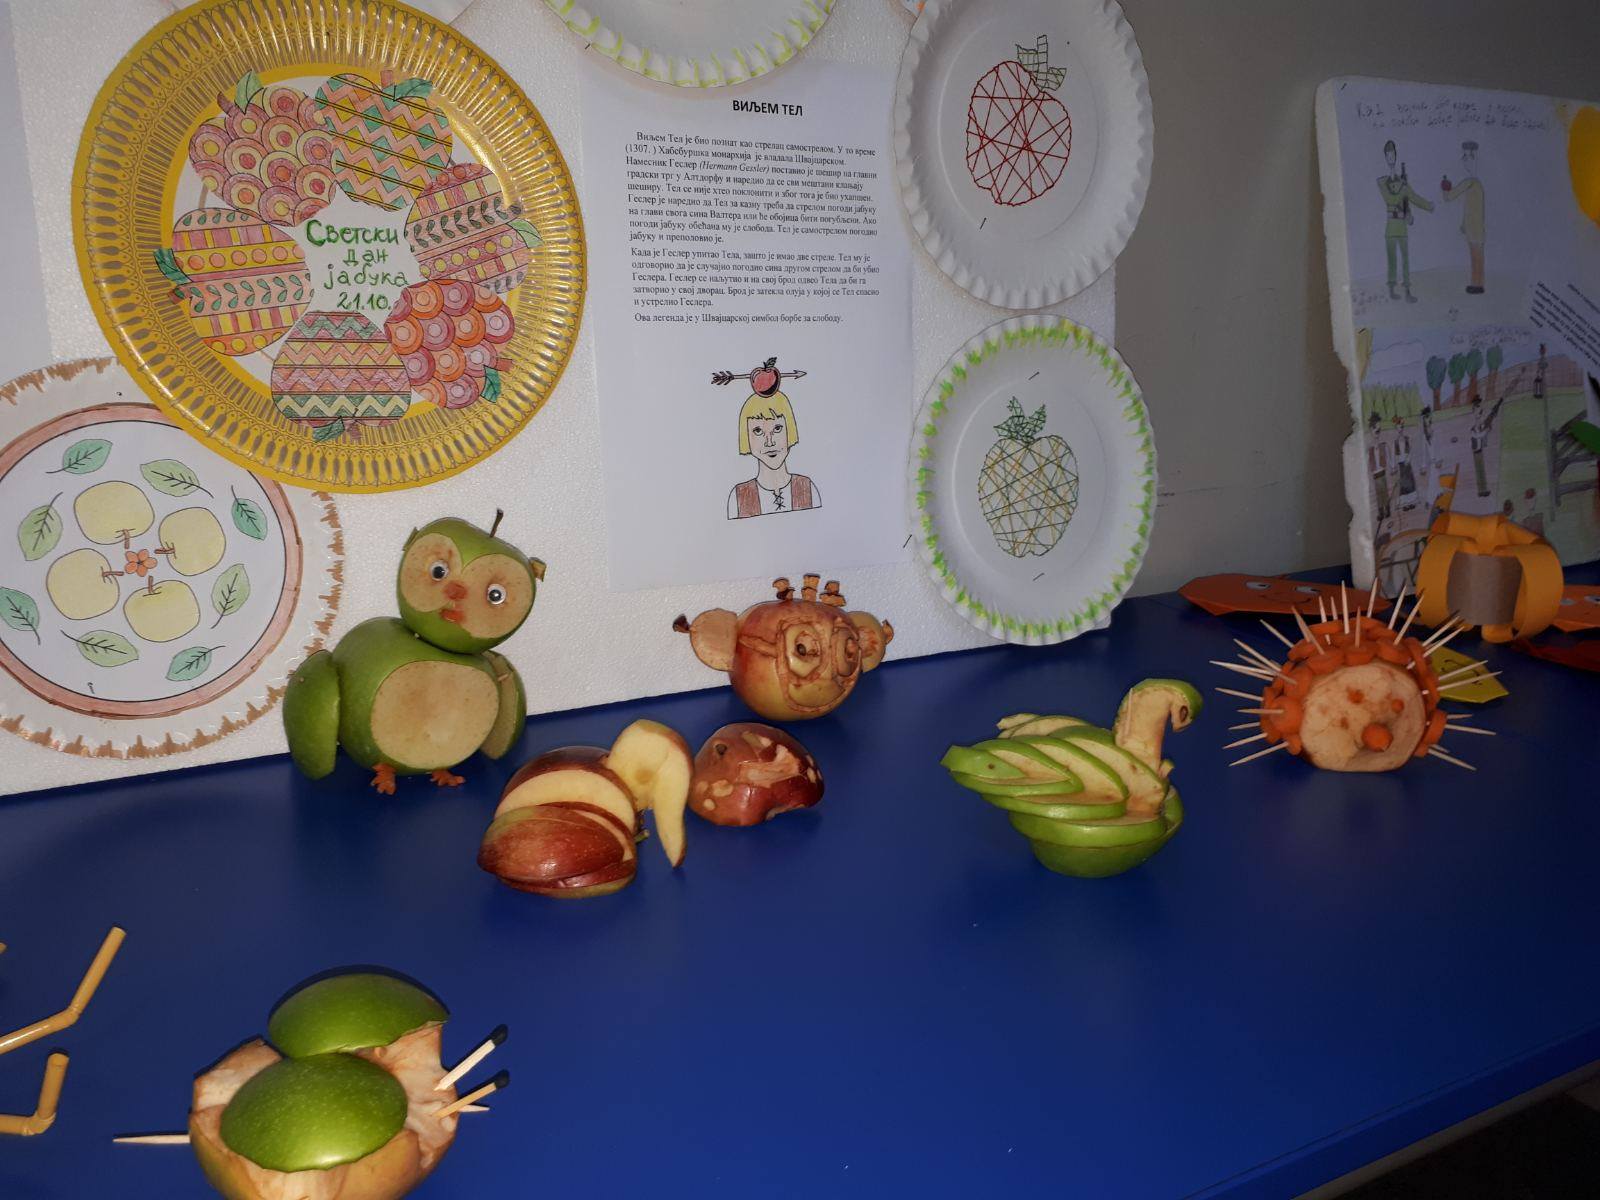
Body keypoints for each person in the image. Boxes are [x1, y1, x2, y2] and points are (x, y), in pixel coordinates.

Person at [726, 389, 821, 519]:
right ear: (746, 436)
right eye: (758, 431)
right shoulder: (739, 496)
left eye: (777, 429)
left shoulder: (806, 488)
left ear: (790, 430)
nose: (769, 442)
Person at [1377, 140, 1432, 303]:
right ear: (1385, 157)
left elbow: (1412, 198)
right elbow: (1391, 199)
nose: (1391, 158)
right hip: (1390, 227)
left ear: (1396, 155)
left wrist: (1428, 206)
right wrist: (1403, 189)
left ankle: (1407, 291)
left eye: (1393, 154)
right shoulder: (1382, 182)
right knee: (1392, 261)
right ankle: (1392, 290)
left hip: (1401, 227)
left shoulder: (1403, 183)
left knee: (1406, 260)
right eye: (1388, 155)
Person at [1441, 141, 1486, 294]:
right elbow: (1471, 208)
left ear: (1474, 158)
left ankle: (1477, 284)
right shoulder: (1477, 184)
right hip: (1476, 228)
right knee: (1477, 256)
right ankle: (1477, 283)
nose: (1464, 161)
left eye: (1467, 157)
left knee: (1476, 257)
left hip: (1475, 229)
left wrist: (1445, 188)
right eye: (1464, 157)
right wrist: (1463, 224)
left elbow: (1450, 197)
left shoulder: (1470, 182)